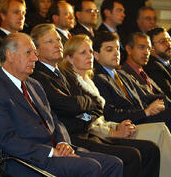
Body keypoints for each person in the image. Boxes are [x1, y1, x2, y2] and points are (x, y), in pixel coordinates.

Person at [0, 32, 123, 177]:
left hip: (55, 150)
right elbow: (7, 140)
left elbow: (53, 119)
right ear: (10, 55)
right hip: (28, 160)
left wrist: (62, 143)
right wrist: (51, 152)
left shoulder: (33, 84)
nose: (35, 58)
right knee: (90, 167)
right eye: (29, 53)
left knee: (114, 163)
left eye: (35, 53)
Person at [30, 24, 159, 177]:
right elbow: (69, 106)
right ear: (36, 50)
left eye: (58, 39)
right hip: (71, 137)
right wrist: (84, 110)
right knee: (130, 156)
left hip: (88, 131)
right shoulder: (38, 75)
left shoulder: (64, 73)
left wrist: (84, 113)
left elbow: (97, 104)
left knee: (150, 149)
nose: (57, 44)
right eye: (49, 41)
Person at [61, 34, 171, 177]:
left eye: (90, 51)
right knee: (145, 147)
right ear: (69, 58)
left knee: (153, 144)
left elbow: (100, 114)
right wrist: (114, 130)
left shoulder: (92, 80)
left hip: (110, 126)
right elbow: (88, 116)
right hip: (92, 134)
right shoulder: (78, 81)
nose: (89, 56)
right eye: (83, 52)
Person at [92, 30, 171, 143]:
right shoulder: (97, 79)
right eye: (109, 49)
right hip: (130, 125)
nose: (116, 53)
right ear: (96, 55)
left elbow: (144, 96)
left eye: (117, 48)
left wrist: (162, 102)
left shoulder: (121, 73)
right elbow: (111, 114)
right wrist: (145, 112)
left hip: (143, 117)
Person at [144, 27, 171, 103]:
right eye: (162, 41)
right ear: (151, 47)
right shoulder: (152, 67)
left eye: (169, 40)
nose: (169, 44)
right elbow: (170, 95)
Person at [97, 0, 126, 64]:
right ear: (107, 13)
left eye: (123, 11)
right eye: (119, 10)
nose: (123, 15)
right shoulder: (100, 34)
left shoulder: (122, 32)